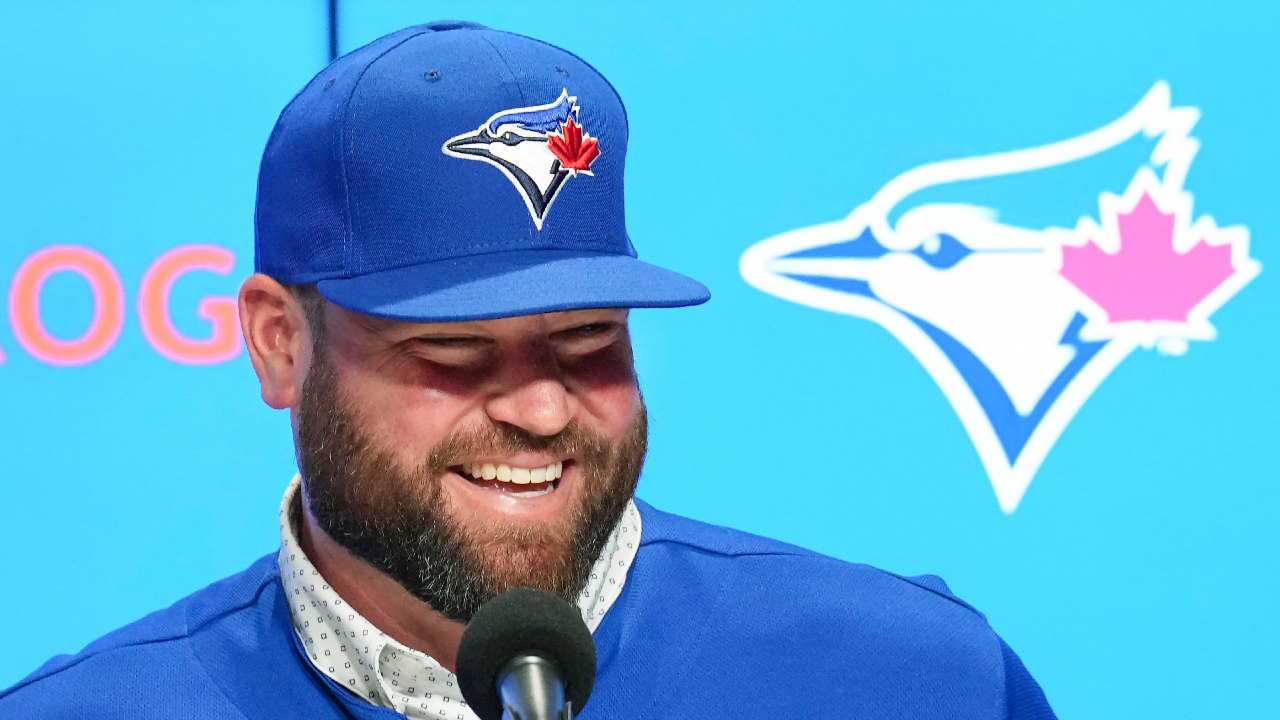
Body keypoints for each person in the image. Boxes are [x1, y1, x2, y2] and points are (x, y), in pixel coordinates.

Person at [0, 22, 1056, 719]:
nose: (542, 405)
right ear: (281, 342)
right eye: (452, 353)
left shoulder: (910, 680)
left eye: (590, 341)